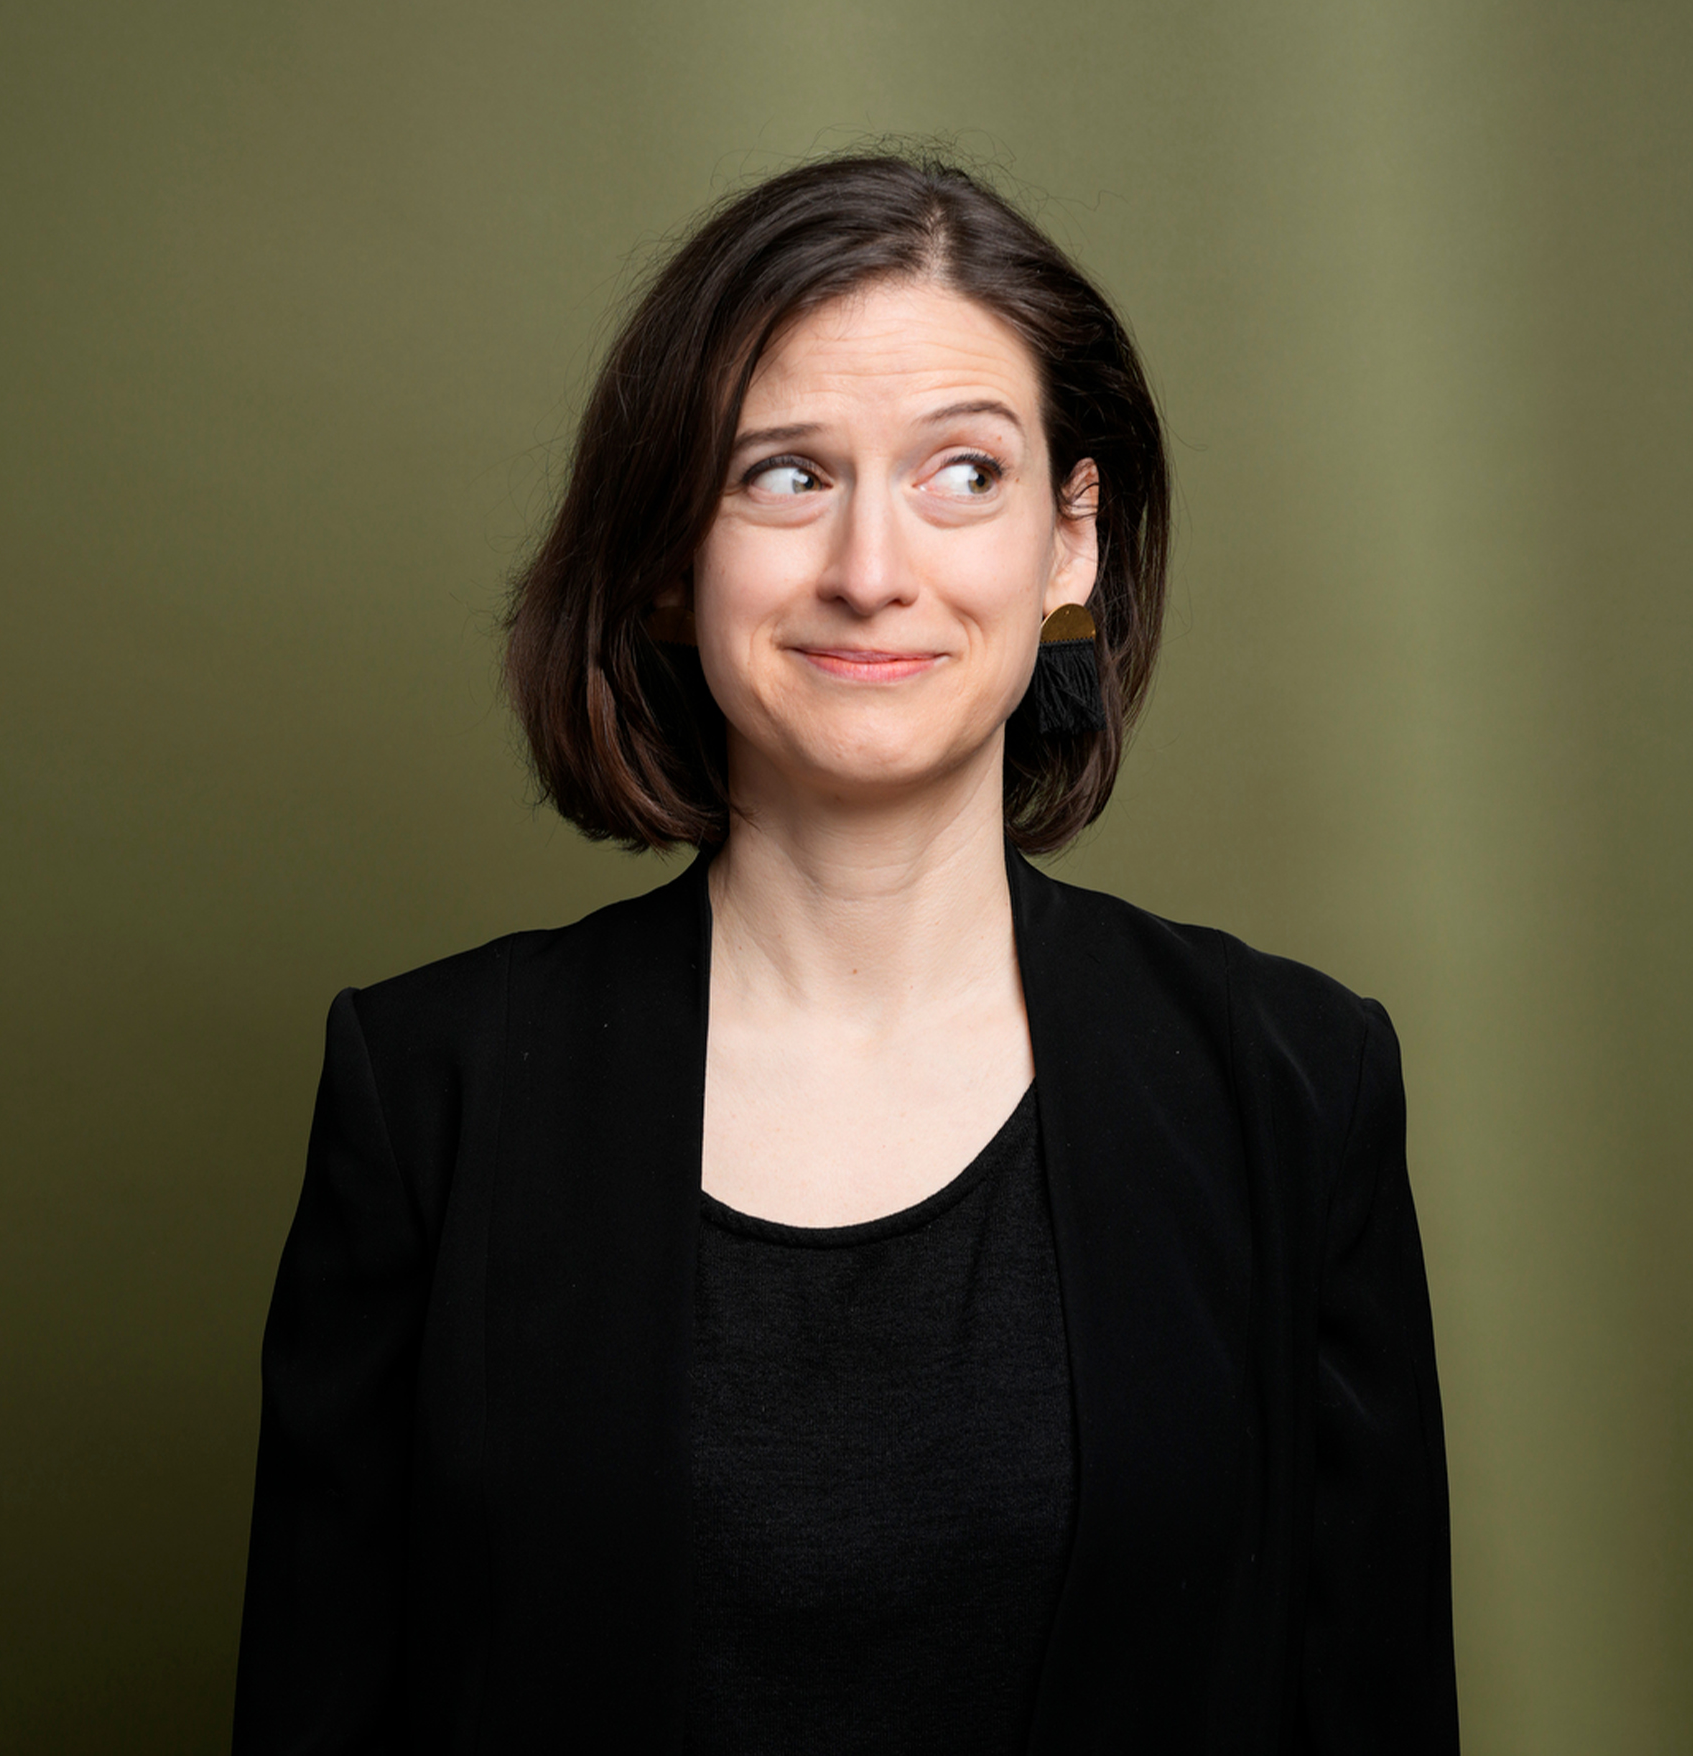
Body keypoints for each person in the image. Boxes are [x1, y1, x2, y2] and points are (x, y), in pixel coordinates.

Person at [233, 152, 1457, 1753]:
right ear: (674, 559)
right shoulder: (430, 1096)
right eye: (787, 476)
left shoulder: (1296, 1086)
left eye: (965, 474)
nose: (873, 569)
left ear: (1069, 542)